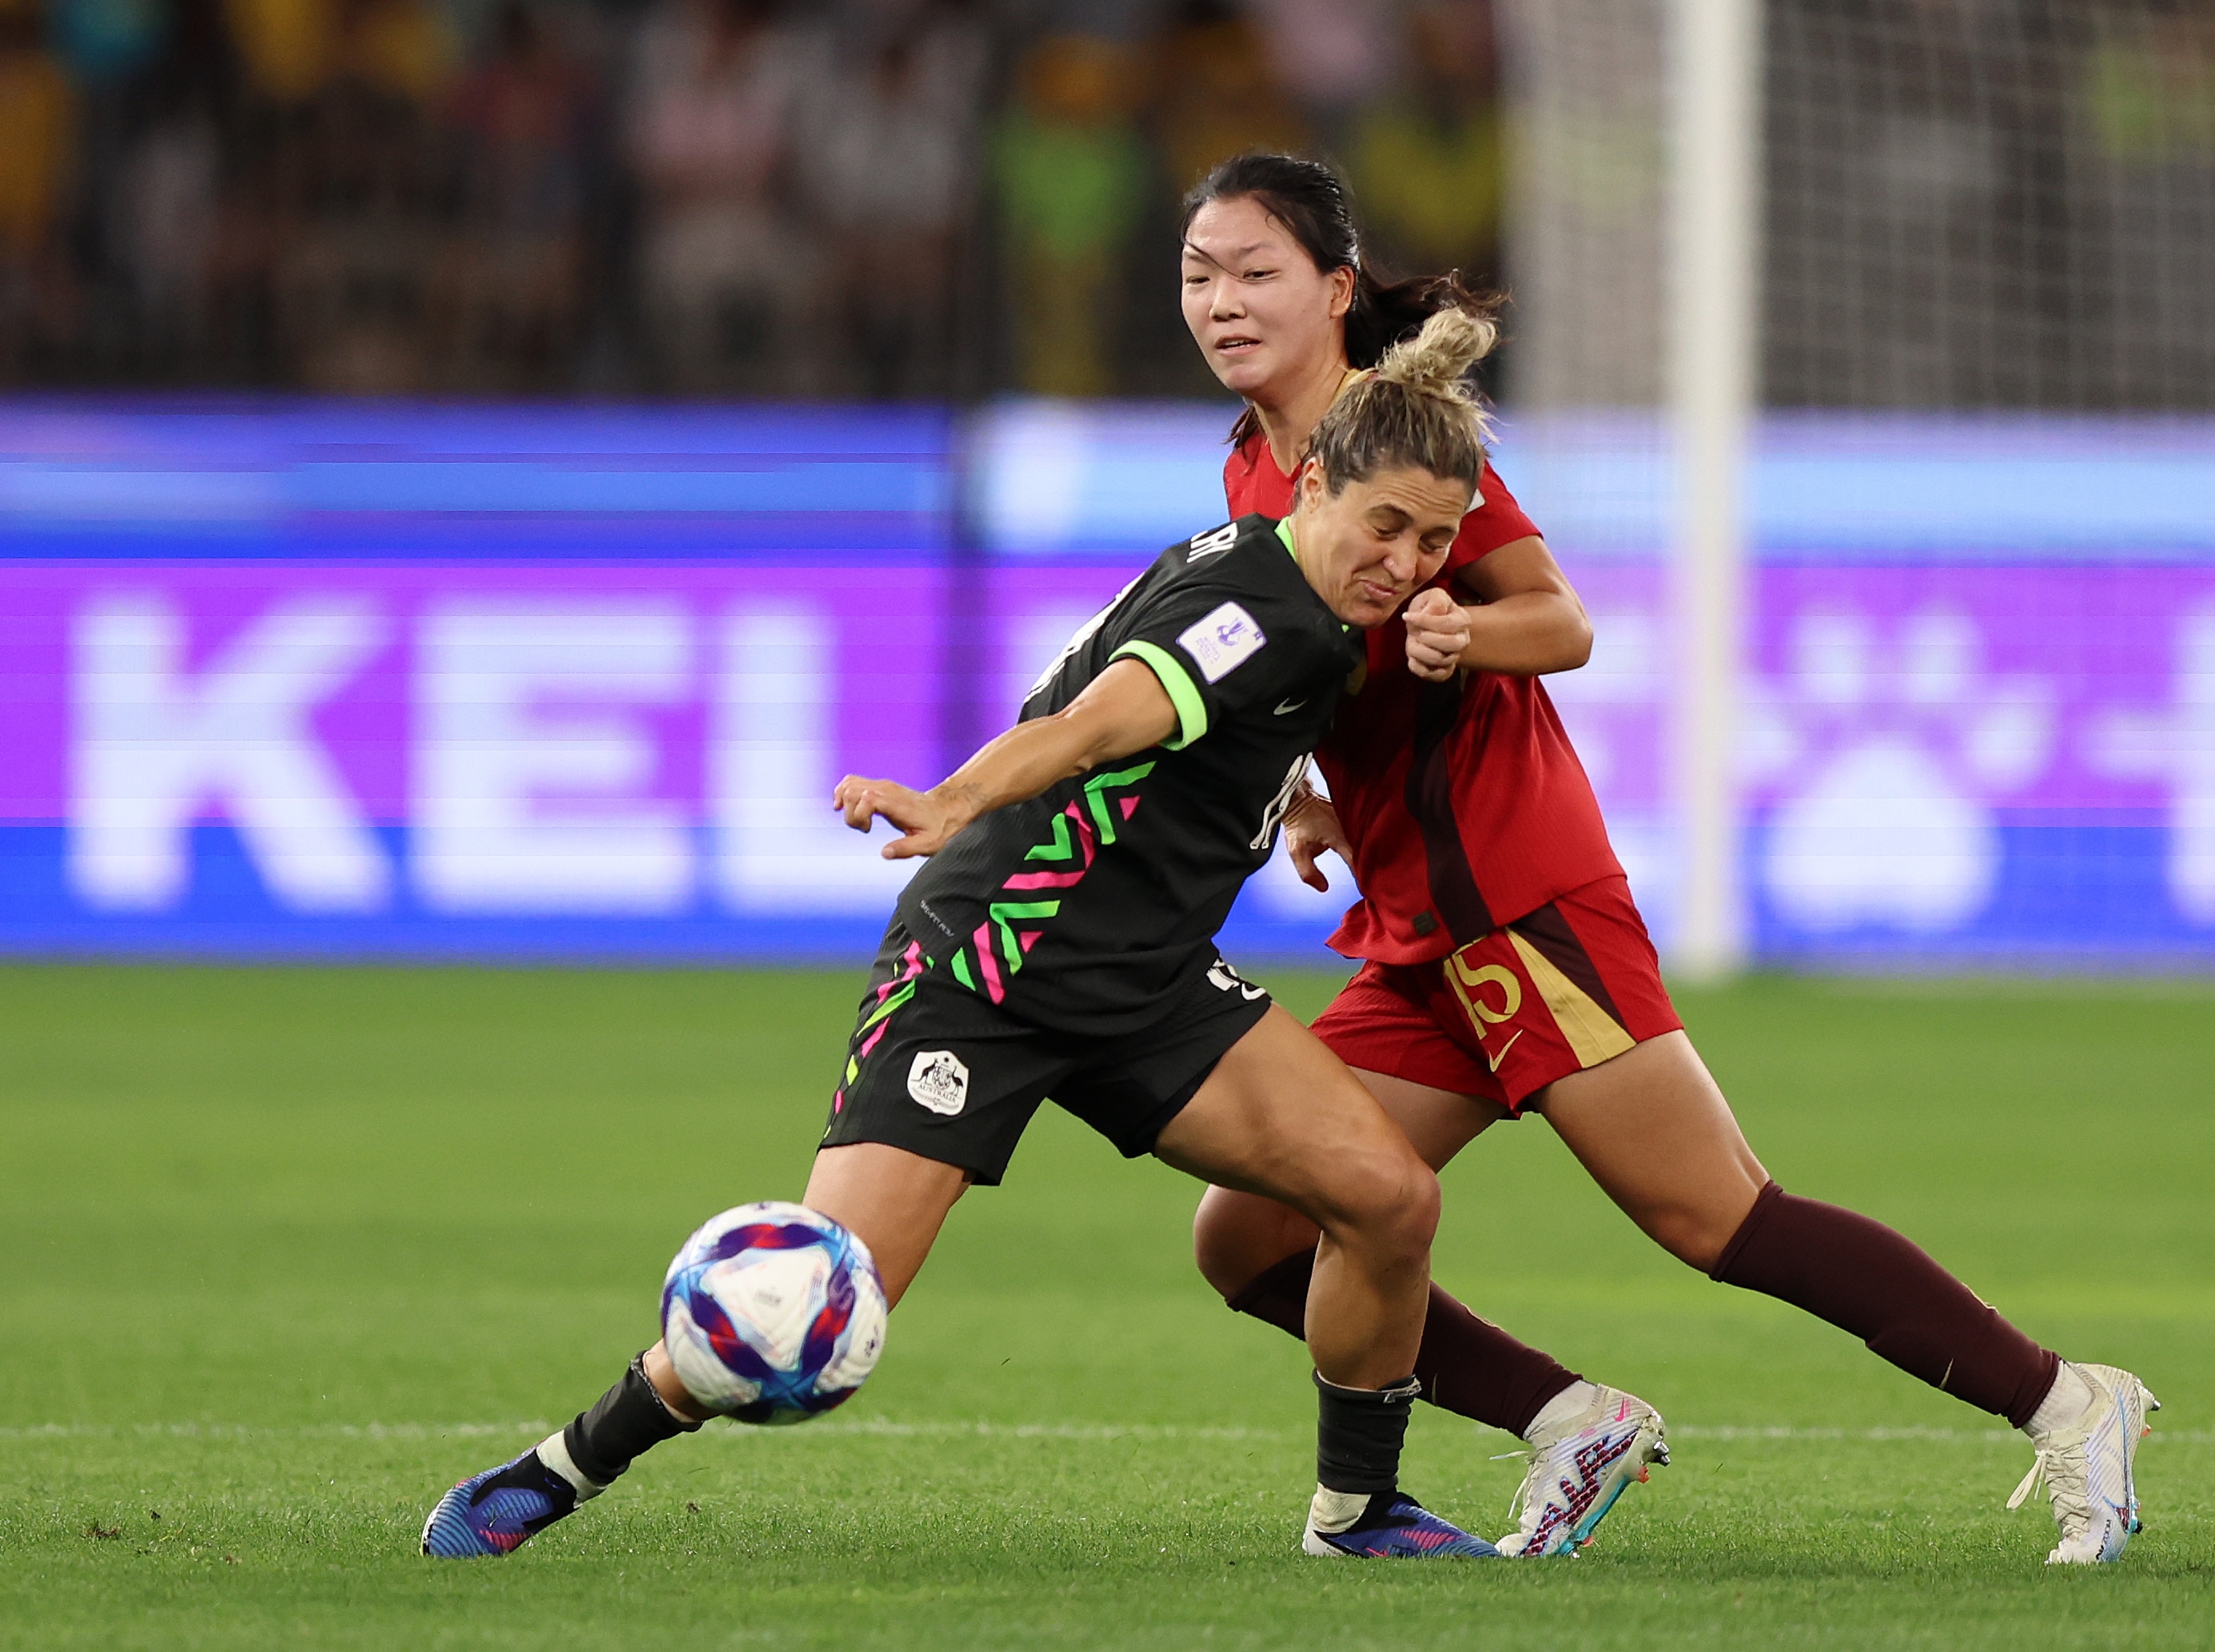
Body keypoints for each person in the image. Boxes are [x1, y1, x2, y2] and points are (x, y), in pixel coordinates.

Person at [1177, 153, 2162, 1566]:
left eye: (1254, 271)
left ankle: (2070, 1405)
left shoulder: (1396, 438)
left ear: (1333, 288)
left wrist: (1469, 636)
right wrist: (1312, 788)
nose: (1222, 301)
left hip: (1517, 898)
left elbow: (1560, 619)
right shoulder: (1252, 459)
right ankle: (1571, 1420)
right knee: (1253, 1239)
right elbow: (1321, 665)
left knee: (1714, 1216)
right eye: (1202, 273)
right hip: (1420, 922)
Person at [422, 309, 1516, 1563]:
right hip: (988, 966)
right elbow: (1106, 719)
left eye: (1435, 541)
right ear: (1317, 478)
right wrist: (953, 800)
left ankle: (1358, 1514)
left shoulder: (1295, 594)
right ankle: (556, 1472)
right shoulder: (1259, 615)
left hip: (1145, 980)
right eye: (1388, 526)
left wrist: (1294, 802)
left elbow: (1182, 730)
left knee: (1387, 1199)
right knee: (819, 1306)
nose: (1408, 562)